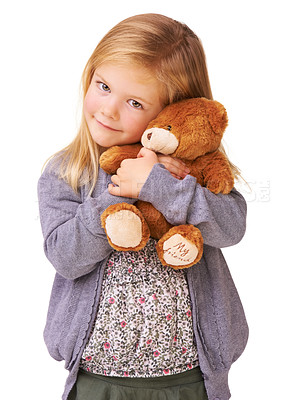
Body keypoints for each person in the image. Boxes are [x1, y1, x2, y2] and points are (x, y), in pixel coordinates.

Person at [38, 13, 248, 400]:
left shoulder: (190, 171)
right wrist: (123, 190)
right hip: (97, 380)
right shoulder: (68, 172)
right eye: (103, 86)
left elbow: (230, 227)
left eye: (134, 101)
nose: (109, 110)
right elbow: (65, 256)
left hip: (190, 380)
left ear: (175, 109)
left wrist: (162, 185)